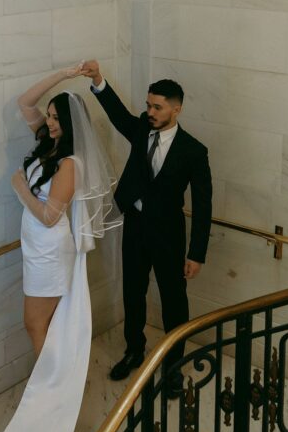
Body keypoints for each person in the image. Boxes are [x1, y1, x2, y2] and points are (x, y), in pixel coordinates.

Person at [0, 66, 121, 432]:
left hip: (49, 249)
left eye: (56, 119)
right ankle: (54, 383)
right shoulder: (45, 144)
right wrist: (65, 74)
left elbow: (51, 214)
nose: (48, 122)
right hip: (34, 248)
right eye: (48, 117)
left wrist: (19, 188)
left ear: (70, 125)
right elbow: (22, 102)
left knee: (34, 322)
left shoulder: (70, 163)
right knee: (38, 324)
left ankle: (52, 390)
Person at [81, 60, 212, 398]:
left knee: (174, 302)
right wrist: (98, 81)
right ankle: (134, 350)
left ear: (176, 109)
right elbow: (118, 115)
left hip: (169, 236)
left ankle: (172, 368)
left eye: (157, 107)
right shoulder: (141, 128)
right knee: (133, 292)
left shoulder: (194, 152)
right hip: (135, 227)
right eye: (148, 105)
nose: (150, 111)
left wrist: (196, 254)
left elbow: (203, 206)